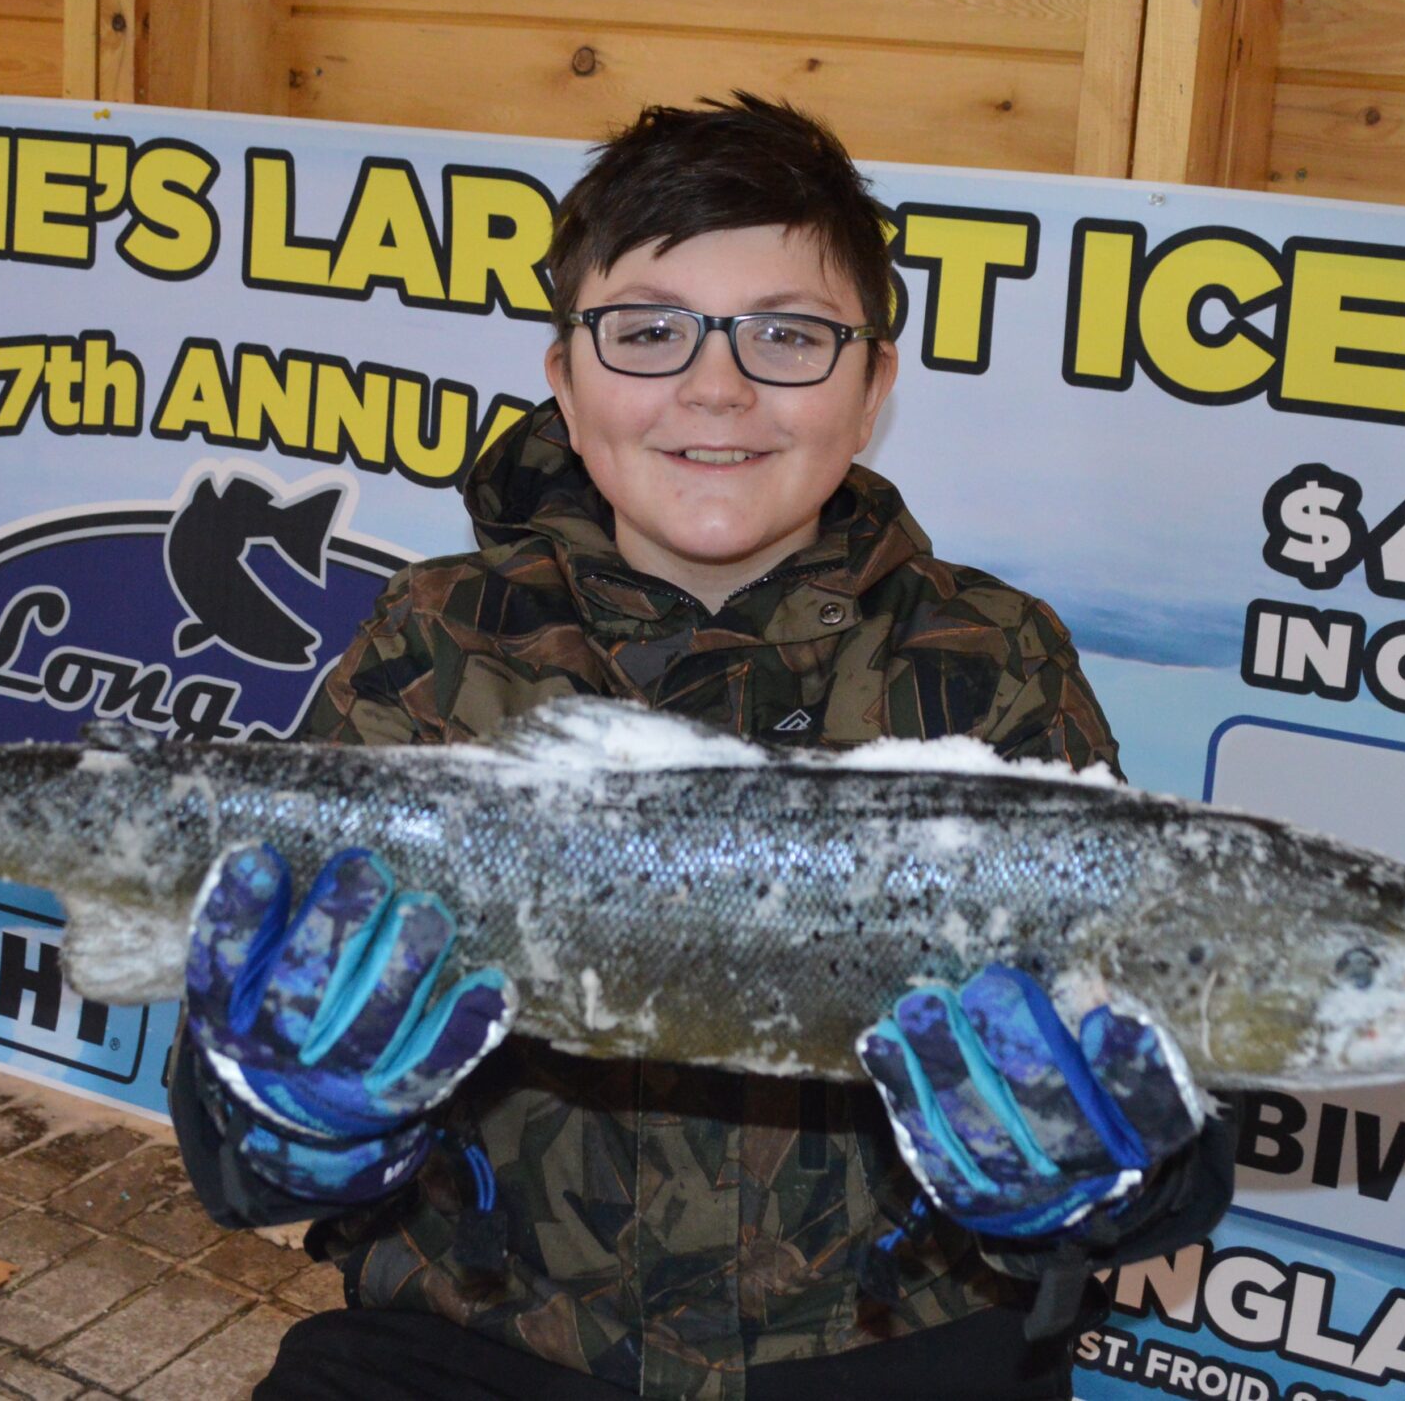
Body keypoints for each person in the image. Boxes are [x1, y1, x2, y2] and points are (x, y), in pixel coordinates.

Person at [170, 95, 1237, 1401]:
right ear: (565, 373)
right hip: (472, 1344)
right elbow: (236, 1110)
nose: (716, 384)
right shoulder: (434, 636)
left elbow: (1156, 1066)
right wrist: (286, 1113)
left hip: (894, 1358)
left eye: (787, 332)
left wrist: (1110, 1172)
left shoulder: (994, 656)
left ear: (872, 384)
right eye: (649, 330)